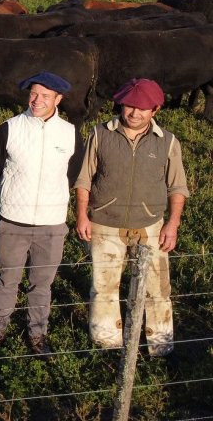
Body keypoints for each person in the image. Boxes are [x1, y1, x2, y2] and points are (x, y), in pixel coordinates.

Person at [74, 78, 189, 357]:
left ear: (155, 110)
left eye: (143, 108)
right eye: (129, 106)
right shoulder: (100, 134)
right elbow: (84, 180)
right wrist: (82, 216)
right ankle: (106, 345)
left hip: (151, 225)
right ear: (121, 104)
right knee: (104, 287)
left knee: (158, 288)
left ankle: (160, 348)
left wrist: (171, 224)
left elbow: (177, 187)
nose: (134, 113)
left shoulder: (168, 141)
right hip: (105, 222)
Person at [0, 71, 84, 358]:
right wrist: (9, 196)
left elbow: (73, 174)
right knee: (7, 279)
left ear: (59, 100)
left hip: (52, 224)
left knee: (42, 284)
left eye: (45, 96)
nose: (37, 101)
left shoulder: (71, 134)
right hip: (13, 220)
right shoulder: (9, 129)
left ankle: (38, 335)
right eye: (33, 94)